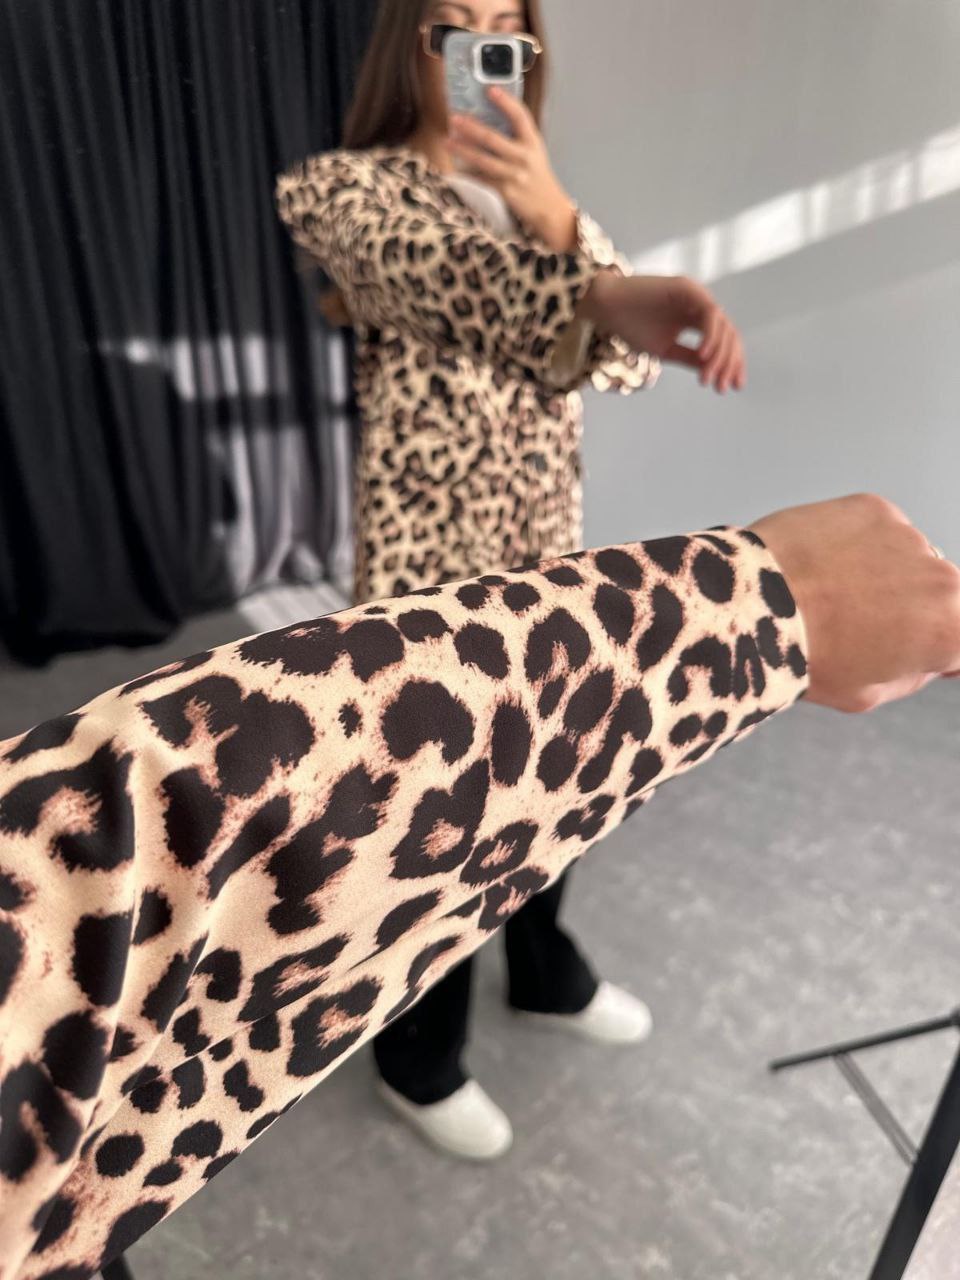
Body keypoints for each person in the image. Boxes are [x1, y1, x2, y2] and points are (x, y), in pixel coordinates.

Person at [1, 494, 958, 1276]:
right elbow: (110, 852)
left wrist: (610, 327)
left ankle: (543, 970)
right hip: (435, 534)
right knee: (421, 845)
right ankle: (421, 1058)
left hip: (534, 522)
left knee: (553, 811)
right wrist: (750, 612)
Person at [275, 0, 749, 1159]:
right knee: (441, 818)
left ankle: (545, 970)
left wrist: (561, 220)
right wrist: (587, 275)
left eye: (504, 25)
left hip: (545, 551)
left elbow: (630, 367)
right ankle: (415, 1052)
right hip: (428, 574)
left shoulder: (544, 198)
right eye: (454, 23)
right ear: (413, 45)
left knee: (561, 775)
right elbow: (459, 287)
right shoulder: (343, 191)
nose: (481, 49)